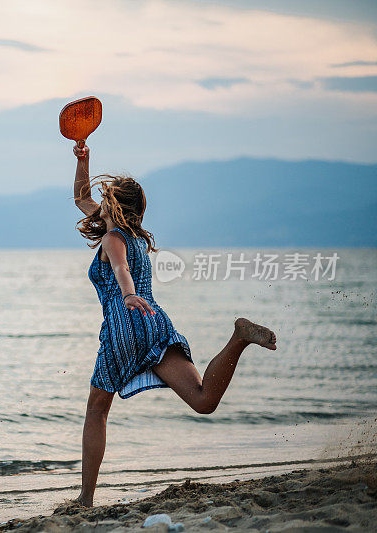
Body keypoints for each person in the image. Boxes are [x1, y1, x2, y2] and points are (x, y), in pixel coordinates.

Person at [69, 143, 277, 508]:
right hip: (155, 324)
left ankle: (85, 499)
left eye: (104, 200)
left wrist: (128, 294)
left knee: (97, 410)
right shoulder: (132, 236)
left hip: (125, 327)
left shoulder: (113, 238)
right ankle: (239, 338)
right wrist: (83, 161)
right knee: (203, 400)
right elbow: (80, 197)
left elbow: (120, 269)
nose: (96, 203)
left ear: (114, 206)